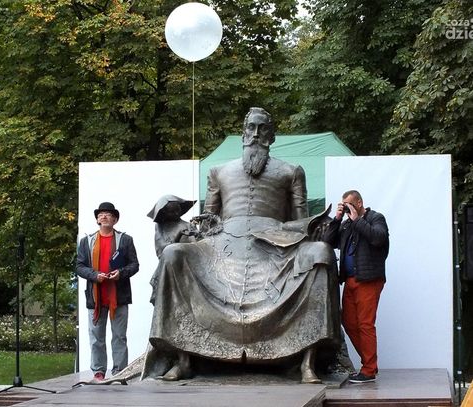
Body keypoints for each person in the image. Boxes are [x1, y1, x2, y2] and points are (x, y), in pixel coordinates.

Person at [142, 107, 341, 383]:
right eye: (251, 128)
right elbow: (209, 219)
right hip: (222, 245)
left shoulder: (292, 171)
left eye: (262, 128)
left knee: (321, 253)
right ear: (243, 133)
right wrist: (189, 232)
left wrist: (318, 227)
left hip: (275, 244)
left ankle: (308, 361)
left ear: (272, 136)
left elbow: (300, 222)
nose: (256, 134)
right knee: (173, 254)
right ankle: (183, 358)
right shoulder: (218, 171)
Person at [322, 190, 389, 383]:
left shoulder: (376, 218)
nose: (347, 209)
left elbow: (378, 238)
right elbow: (327, 242)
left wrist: (357, 219)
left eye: (349, 204)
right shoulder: (346, 225)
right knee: (349, 322)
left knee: (365, 324)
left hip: (369, 279)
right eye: (344, 205)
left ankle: (368, 370)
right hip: (350, 280)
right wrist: (337, 219)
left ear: (359, 202)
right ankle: (370, 363)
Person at [76, 202, 139, 381]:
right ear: (97, 219)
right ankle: (98, 372)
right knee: (96, 337)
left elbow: (134, 265)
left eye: (108, 214)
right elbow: (79, 267)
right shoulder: (87, 241)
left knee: (119, 336)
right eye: (100, 214)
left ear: (115, 219)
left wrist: (121, 273)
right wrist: (95, 275)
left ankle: (120, 373)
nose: (103, 216)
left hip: (119, 297)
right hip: (95, 298)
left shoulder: (125, 240)